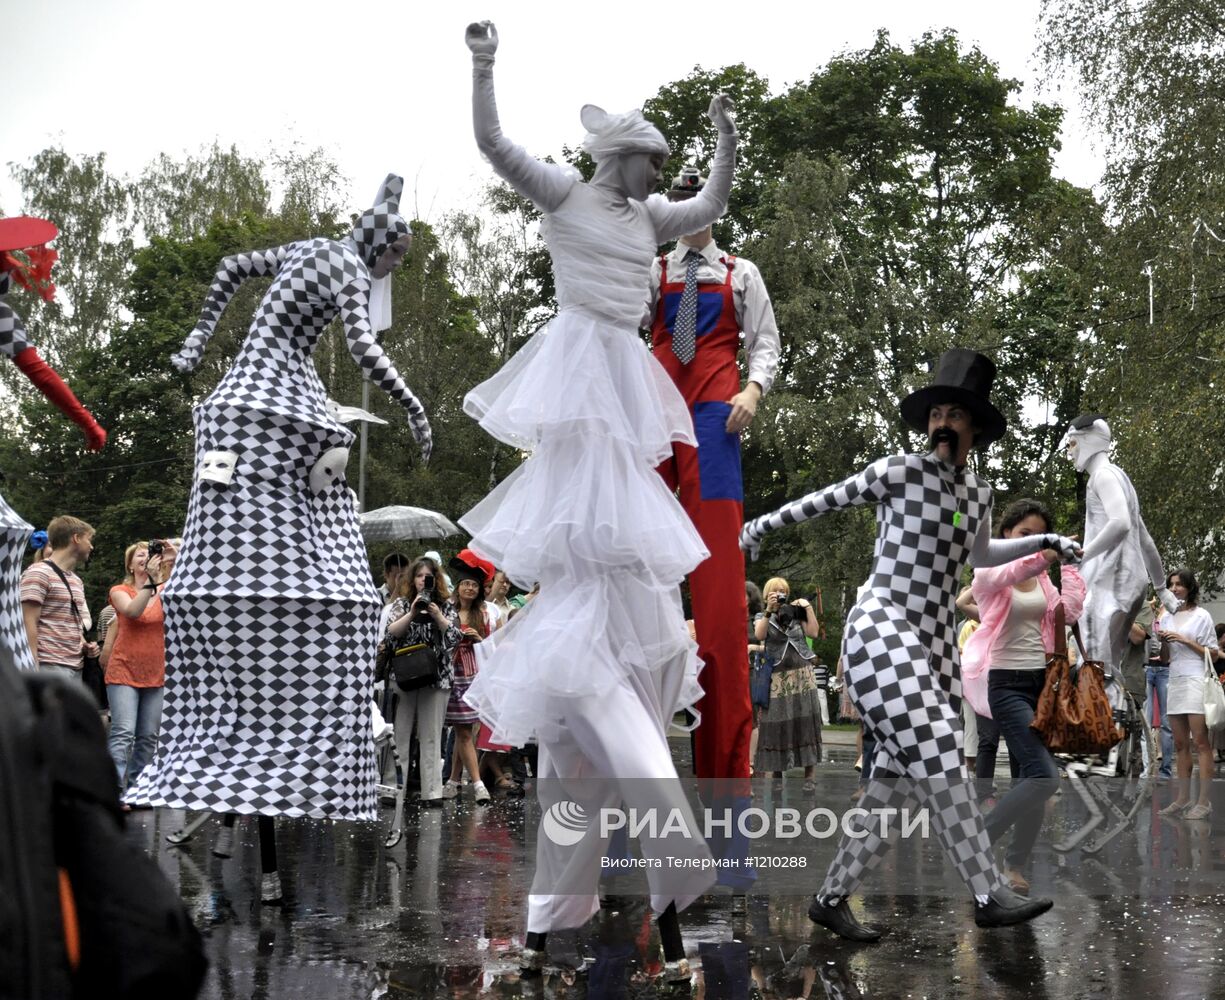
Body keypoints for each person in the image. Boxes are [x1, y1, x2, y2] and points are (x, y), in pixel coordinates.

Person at [457, 21, 736, 979]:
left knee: (581, 782)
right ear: (620, 158)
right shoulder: (568, 195)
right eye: (651, 158)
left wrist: (727, 139)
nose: (660, 174)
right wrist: (486, 66)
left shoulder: (651, 219)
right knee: (585, 479)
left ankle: (561, 928)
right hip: (581, 350)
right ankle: (657, 906)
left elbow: (713, 198)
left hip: (623, 368)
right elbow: (493, 147)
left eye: (665, 161)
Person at [740, 349, 1080, 940]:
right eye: (936, 413)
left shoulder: (977, 494)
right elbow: (827, 498)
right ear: (927, 423)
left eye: (956, 414)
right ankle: (985, 889)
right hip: (880, 625)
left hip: (933, 644)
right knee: (940, 743)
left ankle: (829, 898)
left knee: (892, 791)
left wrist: (1044, 539)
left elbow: (979, 557)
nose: (943, 423)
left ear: (974, 427)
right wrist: (757, 527)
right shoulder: (898, 471)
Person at [125, 174, 430, 830]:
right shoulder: (346, 270)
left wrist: (198, 340)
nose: (393, 268)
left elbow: (234, 267)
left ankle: (308, 733)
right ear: (378, 245)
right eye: (397, 257)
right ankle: (263, 748)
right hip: (264, 397)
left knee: (324, 486)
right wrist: (410, 403)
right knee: (295, 504)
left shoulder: (307, 248)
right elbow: (363, 349)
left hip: (267, 385)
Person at [645, 164, 781, 782]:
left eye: (699, 197)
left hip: (715, 422)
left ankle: (726, 781)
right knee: (629, 562)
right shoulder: (651, 270)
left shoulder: (740, 273)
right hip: (655, 416)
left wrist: (754, 389)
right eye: (679, 198)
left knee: (722, 594)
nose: (689, 207)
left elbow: (767, 343)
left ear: (714, 206)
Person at [961, 499, 1086, 894]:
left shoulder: (1044, 578)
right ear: (1005, 536)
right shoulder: (989, 569)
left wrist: (1068, 566)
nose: (1031, 543)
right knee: (1044, 778)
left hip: (1041, 685)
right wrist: (1048, 549)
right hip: (1005, 684)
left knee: (1029, 778)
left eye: (1039, 534)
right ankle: (974, 843)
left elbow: (1069, 612)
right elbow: (1015, 569)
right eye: (1024, 534)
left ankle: (1014, 866)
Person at [385, 557, 460, 807]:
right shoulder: (402, 604)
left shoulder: (446, 606)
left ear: (435, 580)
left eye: (428, 576)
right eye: (418, 576)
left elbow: (454, 639)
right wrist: (412, 613)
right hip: (405, 676)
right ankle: (395, 790)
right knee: (400, 735)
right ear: (411, 579)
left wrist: (437, 615)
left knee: (430, 736)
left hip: (436, 679)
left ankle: (432, 793)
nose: (422, 580)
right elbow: (391, 635)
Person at [100, 541, 167, 794]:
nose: (145, 558)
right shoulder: (120, 590)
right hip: (124, 670)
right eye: (139, 555)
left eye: (148, 554)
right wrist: (151, 582)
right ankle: (114, 792)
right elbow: (134, 612)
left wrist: (170, 559)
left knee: (148, 735)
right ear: (129, 564)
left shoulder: (167, 590)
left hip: (156, 671)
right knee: (123, 732)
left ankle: (138, 789)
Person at [1154, 569, 1219, 819]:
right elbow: (1164, 658)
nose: (1174, 588)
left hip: (1195, 679)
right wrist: (1165, 642)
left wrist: (1183, 640)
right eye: (1171, 584)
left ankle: (1204, 802)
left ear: (1190, 587)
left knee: (1200, 743)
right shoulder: (1167, 617)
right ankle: (1182, 799)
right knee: (1180, 744)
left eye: (1179, 584)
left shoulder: (1201, 615)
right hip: (1175, 680)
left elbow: (1212, 653)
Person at [752, 577, 823, 785]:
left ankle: (809, 774)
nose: (781, 593)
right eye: (776, 591)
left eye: (783, 590)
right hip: (778, 677)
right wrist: (769, 609)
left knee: (806, 720)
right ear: (767, 594)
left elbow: (813, 632)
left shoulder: (797, 612)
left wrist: (808, 608)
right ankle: (777, 772)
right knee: (776, 722)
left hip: (802, 674)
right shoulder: (761, 615)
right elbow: (760, 634)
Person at [442, 550, 495, 803]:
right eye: (466, 584)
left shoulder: (483, 615)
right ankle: (465, 782)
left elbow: (490, 646)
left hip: (471, 675)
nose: (470, 589)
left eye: (474, 585)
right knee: (461, 731)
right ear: (459, 587)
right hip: (449, 673)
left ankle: (464, 783)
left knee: (464, 731)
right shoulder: (447, 610)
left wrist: (477, 638)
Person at [20, 515, 98, 683]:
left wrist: (84, 645)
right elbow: (28, 622)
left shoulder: (76, 580)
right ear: (76, 538)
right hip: (48, 666)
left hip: (75, 666)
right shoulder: (38, 573)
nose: (91, 546)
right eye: (88, 539)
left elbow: (72, 622)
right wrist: (32, 667)